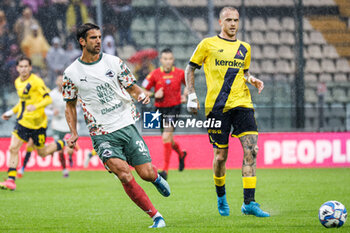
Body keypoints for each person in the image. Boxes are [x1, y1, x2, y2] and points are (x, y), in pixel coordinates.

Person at [63, 23, 170, 228]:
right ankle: (156, 216)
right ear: (82, 41)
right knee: (123, 173)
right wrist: (74, 132)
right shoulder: (71, 73)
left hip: (126, 123)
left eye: (100, 37)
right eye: (93, 38)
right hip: (101, 133)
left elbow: (131, 86)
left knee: (146, 173)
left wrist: (140, 94)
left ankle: (155, 178)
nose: (98, 41)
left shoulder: (114, 62)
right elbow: (70, 105)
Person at [185, 7, 270, 217]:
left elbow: (244, 72)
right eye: (229, 20)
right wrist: (192, 95)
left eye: (236, 20)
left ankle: (249, 202)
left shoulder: (244, 48)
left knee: (252, 149)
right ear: (220, 22)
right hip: (217, 107)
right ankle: (221, 197)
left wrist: (252, 79)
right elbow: (190, 69)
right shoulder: (208, 44)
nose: (233, 24)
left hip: (243, 103)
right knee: (221, 156)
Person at [0, 56, 66, 191]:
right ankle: (11, 180)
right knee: (13, 148)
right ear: (17, 68)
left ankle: (65, 142)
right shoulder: (18, 82)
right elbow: (22, 102)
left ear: (30, 68)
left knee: (42, 153)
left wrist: (35, 107)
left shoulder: (36, 81)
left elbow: (48, 99)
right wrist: (10, 112)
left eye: (26, 66)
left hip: (38, 124)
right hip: (23, 121)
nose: (23, 69)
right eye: (21, 66)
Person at [142, 48, 187, 180]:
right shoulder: (154, 74)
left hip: (174, 108)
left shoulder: (180, 73)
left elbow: (189, 85)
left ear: (173, 60)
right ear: (161, 60)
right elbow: (142, 90)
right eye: (165, 59)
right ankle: (181, 153)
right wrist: (154, 94)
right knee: (168, 139)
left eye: (170, 59)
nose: (168, 62)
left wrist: (185, 94)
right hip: (159, 110)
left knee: (166, 136)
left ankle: (165, 171)